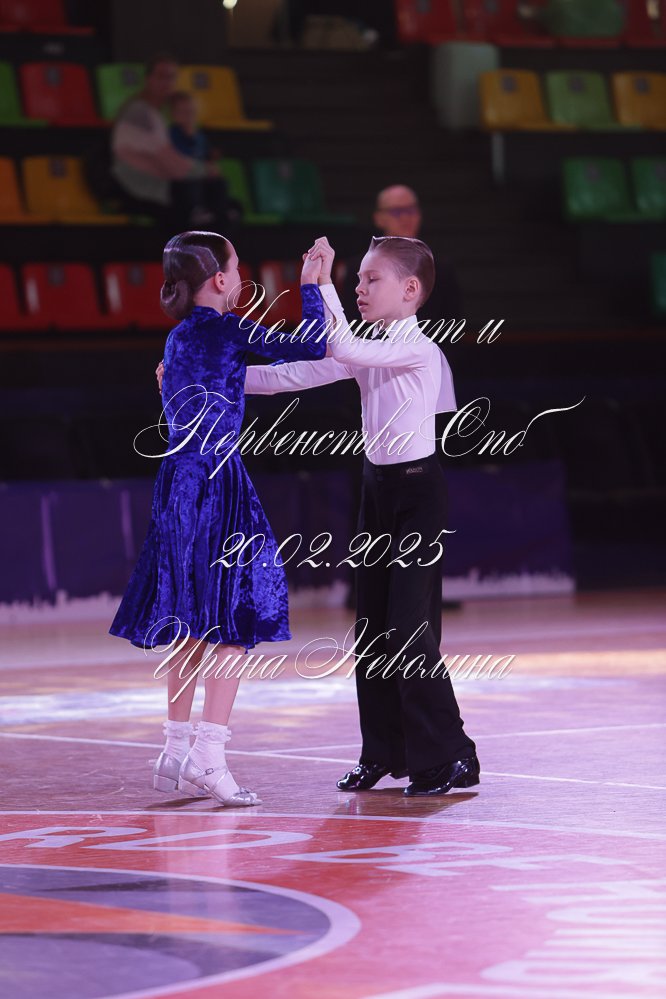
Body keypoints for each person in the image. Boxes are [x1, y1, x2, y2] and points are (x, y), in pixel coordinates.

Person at [243, 235, 479, 797]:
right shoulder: (367, 347)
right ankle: (383, 753)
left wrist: (321, 285)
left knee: (408, 632)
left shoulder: (418, 348)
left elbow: (340, 344)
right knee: (372, 631)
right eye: (358, 279)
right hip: (377, 493)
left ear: (411, 290)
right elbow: (292, 376)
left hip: (418, 495)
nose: (360, 287)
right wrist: (207, 377)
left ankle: (451, 756)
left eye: (373, 279)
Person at [110, 230, 329, 806]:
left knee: (189, 620)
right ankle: (209, 754)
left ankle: (174, 747)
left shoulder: (179, 336)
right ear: (221, 279)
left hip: (176, 482)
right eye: (237, 267)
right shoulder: (228, 329)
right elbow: (312, 345)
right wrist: (310, 285)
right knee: (236, 614)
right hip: (215, 481)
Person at [111, 54, 230, 227]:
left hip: (161, 184)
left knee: (221, 200)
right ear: (148, 79)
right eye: (161, 76)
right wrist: (206, 170)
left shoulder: (159, 114)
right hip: (139, 189)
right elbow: (171, 163)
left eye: (171, 77)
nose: (167, 82)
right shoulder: (139, 112)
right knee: (209, 196)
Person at [340, 185, 462, 330]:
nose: (405, 217)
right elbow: (352, 326)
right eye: (396, 212)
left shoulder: (440, 268)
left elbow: (452, 326)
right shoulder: (358, 268)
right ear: (379, 219)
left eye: (411, 210)